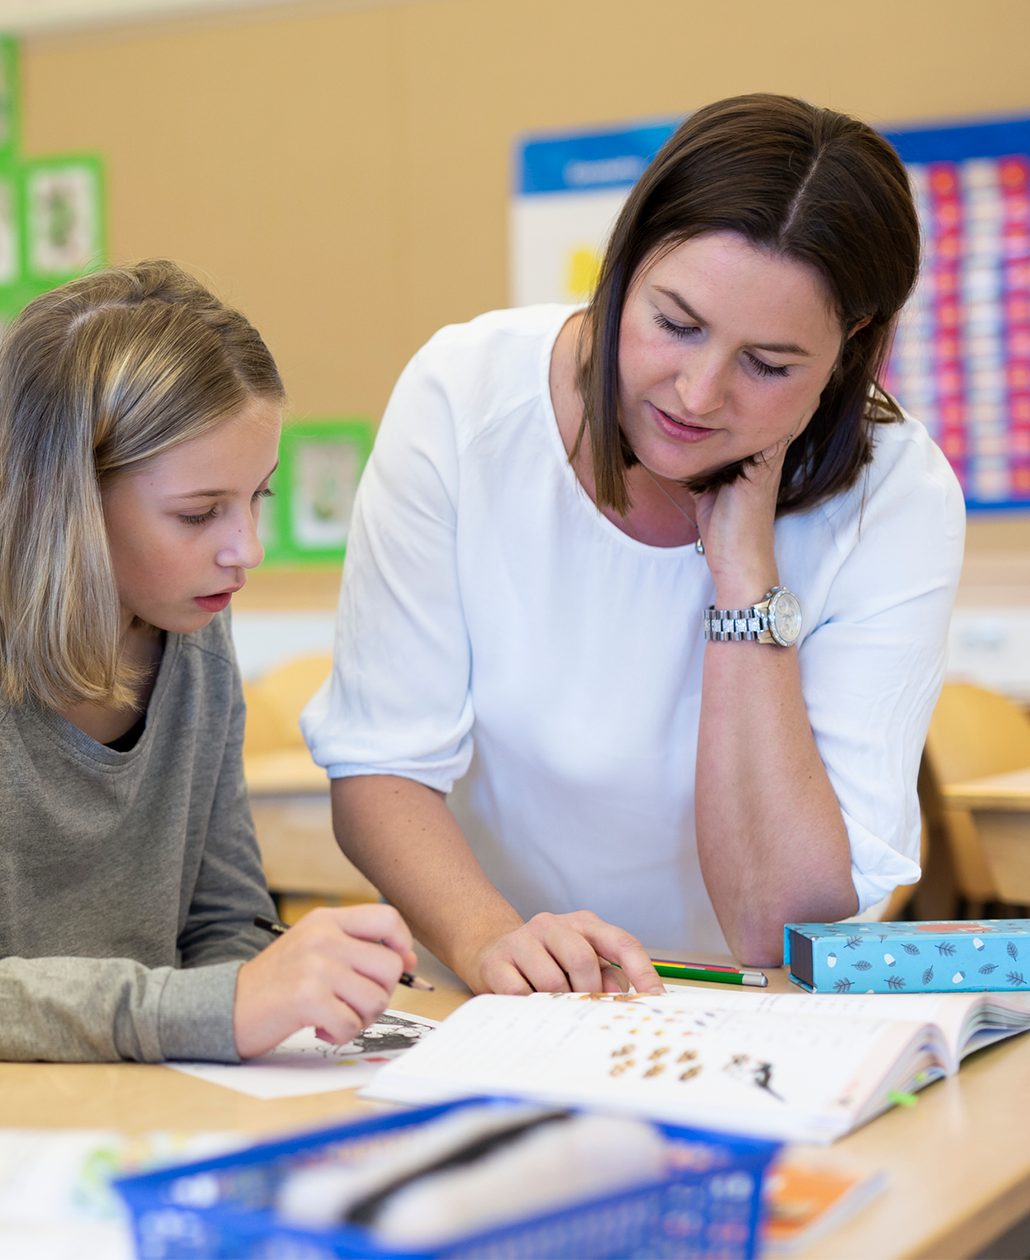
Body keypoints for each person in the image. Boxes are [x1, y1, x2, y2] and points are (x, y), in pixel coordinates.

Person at [301, 93, 964, 990]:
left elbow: (783, 929)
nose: (697, 394)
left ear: (850, 348)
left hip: (760, 1017)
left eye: (769, 365)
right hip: (501, 993)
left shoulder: (898, 495)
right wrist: (491, 939)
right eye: (675, 323)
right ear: (623, 262)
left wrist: (743, 578)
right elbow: (381, 767)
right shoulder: (465, 394)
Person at [0, 261, 415, 1083]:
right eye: (200, 513)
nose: (247, 550)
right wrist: (214, 1007)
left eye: (256, 497)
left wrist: (298, 987)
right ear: (68, 502)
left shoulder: (189, 627)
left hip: (135, 1107)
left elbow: (222, 927)